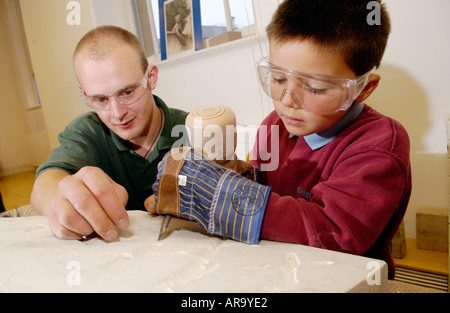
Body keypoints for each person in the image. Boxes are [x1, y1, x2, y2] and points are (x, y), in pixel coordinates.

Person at [146, 0, 411, 279]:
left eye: (315, 87)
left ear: (363, 88)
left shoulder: (379, 145)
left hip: (340, 280)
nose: (286, 101)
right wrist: (204, 189)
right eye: (277, 78)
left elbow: (333, 233)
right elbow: (259, 184)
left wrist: (221, 196)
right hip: (276, 269)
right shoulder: (274, 125)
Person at [30, 26, 189, 241]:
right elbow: (45, 183)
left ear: (150, 78)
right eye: (101, 99)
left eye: (128, 92)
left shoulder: (192, 130)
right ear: (84, 93)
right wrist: (63, 200)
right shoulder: (87, 131)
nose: (117, 113)